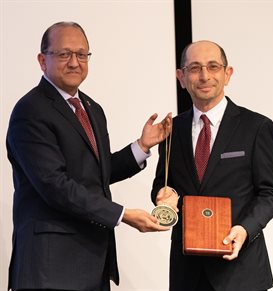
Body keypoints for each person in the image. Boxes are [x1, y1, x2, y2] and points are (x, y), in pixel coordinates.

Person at [6, 21, 172, 291]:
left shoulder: (92, 108)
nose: (74, 62)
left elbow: (94, 173)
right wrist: (123, 214)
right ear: (42, 60)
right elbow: (54, 185)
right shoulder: (31, 110)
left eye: (82, 55)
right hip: (50, 269)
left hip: (92, 262)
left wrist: (142, 146)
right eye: (64, 54)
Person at [151, 40, 273, 291]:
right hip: (186, 272)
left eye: (213, 67)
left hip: (240, 271)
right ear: (181, 77)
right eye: (194, 68)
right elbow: (163, 184)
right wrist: (163, 196)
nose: (204, 76)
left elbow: (270, 195)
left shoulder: (256, 127)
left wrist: (245, 230)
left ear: (227, 74)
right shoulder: (172, 130)